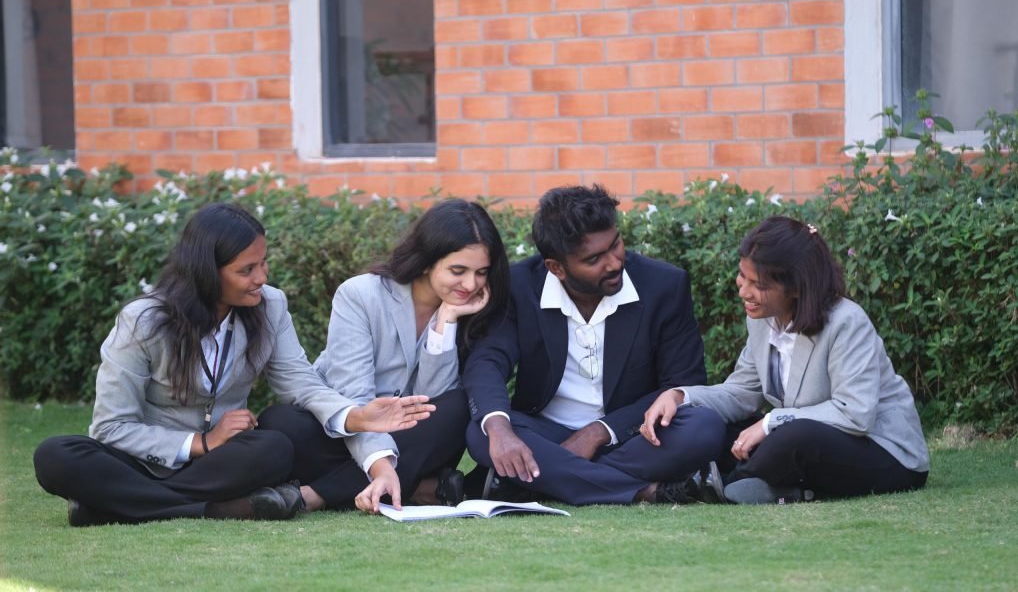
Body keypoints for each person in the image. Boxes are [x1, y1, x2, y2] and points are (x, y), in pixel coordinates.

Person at [33, 203, 433, 526]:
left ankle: (111, 507)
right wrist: (201, 443)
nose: (261, 277)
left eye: (263, 263)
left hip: (223, 464)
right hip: (144, 461)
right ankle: (217, 509)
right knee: (55, 455)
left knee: (276, 446)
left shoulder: (270, 306)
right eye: (246, 270)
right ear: (207, 272)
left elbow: (301, 382)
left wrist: (356, 416)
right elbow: (110, 427)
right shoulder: (143, 321)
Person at [462, 184, 726, 506]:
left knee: (703, 426)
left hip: (632, 435)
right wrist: (500, 429)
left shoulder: (664, 286)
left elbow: (683, 382)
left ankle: (541, 481)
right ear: (556, 268)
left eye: (615, 244)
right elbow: (487, 361)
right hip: (546, 434)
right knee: (483, 431)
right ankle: (645, 491)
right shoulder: (519, 287)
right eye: (594, 259)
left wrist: (598, 432)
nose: (614, 263)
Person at [642, 215, 930, 504]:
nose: (743, 291)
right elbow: (740, 393)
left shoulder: (846, 322)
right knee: (713, 424)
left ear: (795, 288)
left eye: (758, 284)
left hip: (885, 453)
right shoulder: (762, 321)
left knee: (792, 437)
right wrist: (680, 397)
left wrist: (771, 422)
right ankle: (782, 490)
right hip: (807, 445)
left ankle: (714, 486)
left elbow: (855, 413)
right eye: (742, 276)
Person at [258, 198, 510, 514]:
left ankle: (317, 494)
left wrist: (445, 322)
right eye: (458, 271)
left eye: (481, 273)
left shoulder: (473, 310)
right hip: (347, 427)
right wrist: (381, 463)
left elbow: (432, 403)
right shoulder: (360, 295)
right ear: (427, 261)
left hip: (412, 438)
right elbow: (354, 395)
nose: (471, 284)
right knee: (280, 421)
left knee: (457, 407)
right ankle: (418, 487)